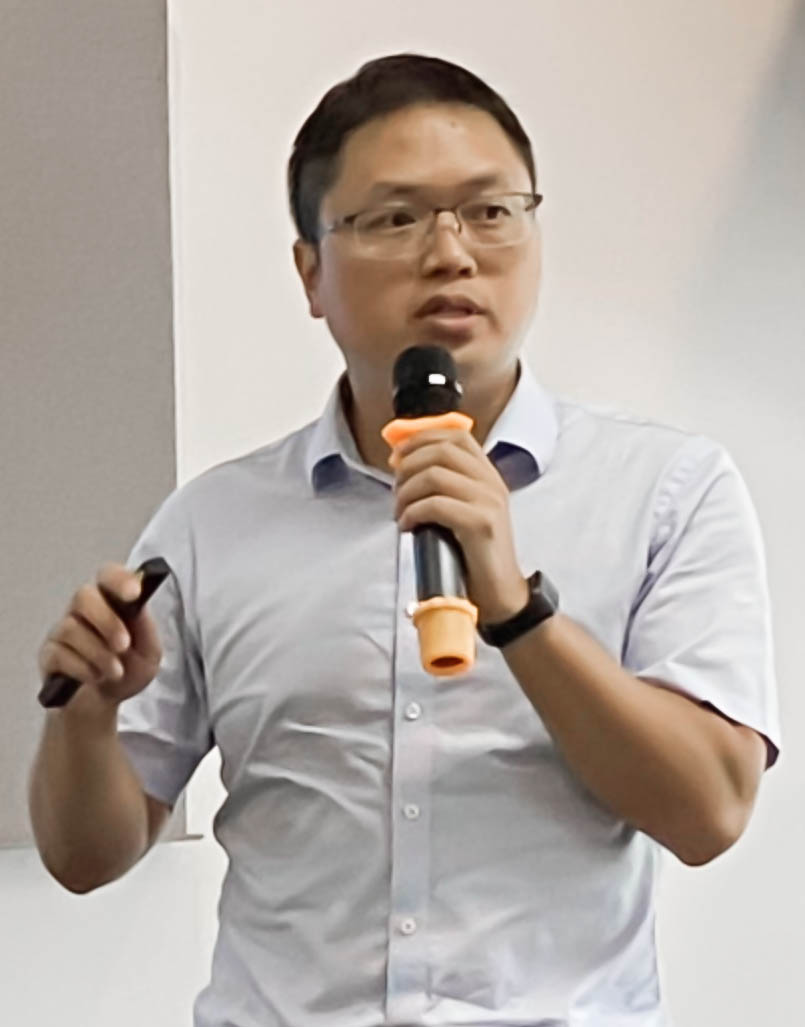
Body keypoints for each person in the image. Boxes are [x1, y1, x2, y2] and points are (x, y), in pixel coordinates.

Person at [31, 53, 782, 1027]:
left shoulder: (666, 490)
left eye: (490, 210)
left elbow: (709, 811)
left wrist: (514, 609)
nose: (451, 253)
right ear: (311, 272)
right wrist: (87, 718)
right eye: (395, 218)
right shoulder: (212, 522)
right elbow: (86, 855)